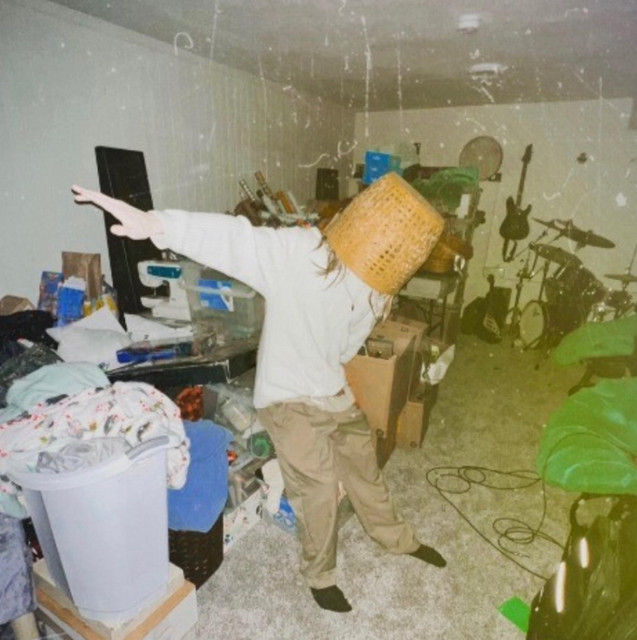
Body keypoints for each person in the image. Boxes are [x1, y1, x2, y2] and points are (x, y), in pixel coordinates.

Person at [71, 172, 446, 613]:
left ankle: (396, 539)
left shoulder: (377, 290)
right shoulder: (302, 252)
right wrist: (158, 224)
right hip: (287, 397)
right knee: (319, 488)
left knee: (365, 467)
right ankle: (320, 576)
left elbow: (345, 348)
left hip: (331, 391)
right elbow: (236, 239)